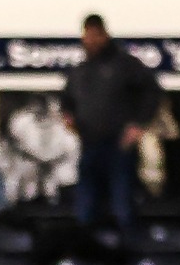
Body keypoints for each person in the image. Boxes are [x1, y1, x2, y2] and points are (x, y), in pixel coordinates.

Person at [60, 14, 162, 233]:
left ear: (105, 35)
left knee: (122, 206)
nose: (91, 40)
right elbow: (66, 100)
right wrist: (67, 116)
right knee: (85, 208)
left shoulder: (125, 64)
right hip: (89, 145)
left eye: (96, 35)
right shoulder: (79, 71)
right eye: (87, 35)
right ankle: (87, 256)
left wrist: (139, 124)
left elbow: (152, 92)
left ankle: (127, 255)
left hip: (119, 146)